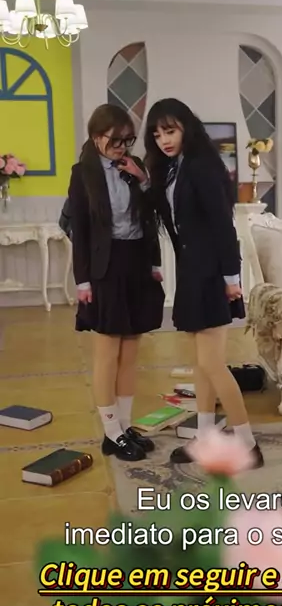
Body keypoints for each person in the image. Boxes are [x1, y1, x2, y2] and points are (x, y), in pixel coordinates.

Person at [144, 98, 263, 468]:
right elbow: (170, 217)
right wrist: (143, 180)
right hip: (192, 272)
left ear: (187, 127)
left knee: (212, 364)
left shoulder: (203, 166)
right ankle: (206, 437)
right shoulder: (173, 168)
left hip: (212, 274)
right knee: (201, 364)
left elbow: (222, 224)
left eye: (170, 130)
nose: (164, 139)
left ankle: (248, 445)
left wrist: (231, 278)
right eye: (157, 134)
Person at [69, 103, 165, 461]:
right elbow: (80, 230)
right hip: (105, 267)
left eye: (128, 140)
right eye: (116, 140)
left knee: (131, 350)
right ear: (97, 137)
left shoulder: (134, 167)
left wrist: (143, 179)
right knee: (108, 351)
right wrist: (82, 281)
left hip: (136, 261)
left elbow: (152, 217)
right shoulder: (83, 173)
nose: (122, 147)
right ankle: (110, 431)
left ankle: (124, 427)